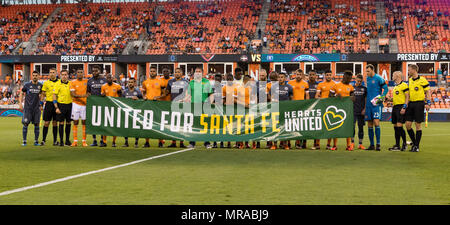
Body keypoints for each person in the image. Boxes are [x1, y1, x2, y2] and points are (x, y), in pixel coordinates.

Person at [405, 64, 431, 152]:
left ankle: (416, 146)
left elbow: (427, 92)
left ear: (414, 70)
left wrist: (428, 103)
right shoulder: (410, 80)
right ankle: (415, 143)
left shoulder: (423, 80)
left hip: (419, 104)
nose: (408, 72)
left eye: (409, 70)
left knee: (417, 125)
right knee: (408, 125)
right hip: (411, 104)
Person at [185, 67, 213, 149]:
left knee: (205, 124)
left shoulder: (206, 82)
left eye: (199, 71)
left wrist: (210, 103)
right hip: (194, 106)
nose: (197, 73)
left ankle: (207, 142)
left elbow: (210, 94)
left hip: (204, 106)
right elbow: (188, 95)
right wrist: (185, 100)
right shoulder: (191, 82)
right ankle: (192, 143)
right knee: (194, 124)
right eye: (196, 71)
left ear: (203, 73)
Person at [365, 64, 388, 151]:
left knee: (376, 122)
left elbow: (385, 88)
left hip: (376, 104)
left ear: (372, 70)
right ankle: (372, 145)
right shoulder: (367, 79)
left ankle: (378, 144)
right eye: (366, 71)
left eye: (368, 71)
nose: (367, 73)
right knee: (369, 124)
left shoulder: (378, 78)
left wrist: (381, 98)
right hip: (368, 104)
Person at [330, 71, 355, 151]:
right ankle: (334, 145)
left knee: (347, 127)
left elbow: (353, 97)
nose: (349, 80)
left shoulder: (351, 87)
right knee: (336, 126)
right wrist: (336, 95)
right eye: (348, 78)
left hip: (347, 109)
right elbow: (329, 96)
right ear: (343, 76)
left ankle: (348, 146)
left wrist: (353, 98)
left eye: (350, 78)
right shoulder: (336, 85)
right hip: (337, 109)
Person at [141, 66, 166, 148]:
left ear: (156, 72)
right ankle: (147, 142)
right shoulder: (145, 82)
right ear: (149, 72)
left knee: (159, 124)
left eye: (154, 71)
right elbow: (143, 92)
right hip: (148, 105)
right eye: (151, 71)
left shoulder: (160, 82)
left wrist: (158, 97)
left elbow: (164, 94)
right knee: (147, 123)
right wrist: (144, 96)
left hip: (157, 105)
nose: (152, 72)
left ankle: (160, 142)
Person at [166, 67, 188, 148]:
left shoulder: (185, 82)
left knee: (181, 124)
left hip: (182, 105)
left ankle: (181, 142)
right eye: (176, 72)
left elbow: (188, 93)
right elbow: (167, 92)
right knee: (173, 124)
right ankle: (173, 142)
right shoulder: (170, 81)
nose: (177, 73)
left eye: (179, 72)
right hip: (173, 105)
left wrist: (184, 100)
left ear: (182, 74)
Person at [269, 72, 293, 150]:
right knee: (276, 127)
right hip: (276, 109)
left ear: (285, 78)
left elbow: (291, 98)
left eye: (282, 77)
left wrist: (290, 106)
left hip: (285, 110)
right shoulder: (273, 87)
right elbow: (269, 96)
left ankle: (285, 144)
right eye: (279, 77)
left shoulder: (289, 87)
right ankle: (274, 144)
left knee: (285, 127)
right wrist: (273, 100)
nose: (280, 79)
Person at [19, 71, 43, 146]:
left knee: (37, 124)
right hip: (28, 108)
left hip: (36, 109)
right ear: (32, 76)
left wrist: (41, 104)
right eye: (33, 75)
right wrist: (20, 103)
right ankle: (24, 141)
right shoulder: (27, 85)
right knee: (25, 124)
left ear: (38, 76)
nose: (35, 77)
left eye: (36, 75)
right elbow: (21, 93)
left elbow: (42, 94)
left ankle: (36, 141)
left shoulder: (40, 85)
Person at [316, 70, 337, 150]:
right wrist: (320, 99)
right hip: (322, 107)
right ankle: (318, 144)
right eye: (327, 75)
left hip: (331, 108)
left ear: (332, 75)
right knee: (320, 126)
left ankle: (328, 144)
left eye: (329, 75)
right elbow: (317, 95)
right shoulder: (320, 84)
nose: (328, 76)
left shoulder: (335, 84)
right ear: (324, 75)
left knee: (330, 126)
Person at [288, 69, 309, 149]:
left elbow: (307, 96)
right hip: (292, 107)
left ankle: (298, 143)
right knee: (291, 125)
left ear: (302, 75)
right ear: (295, 74)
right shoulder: (290, 83)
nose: (298, 76)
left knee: (300, 126)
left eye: (300, 75)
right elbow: (289, 95)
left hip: (302, 108)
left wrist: (307, 105)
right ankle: (288, 143)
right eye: (297, 74)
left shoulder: (305, 83)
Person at [388, 71, 409, 151]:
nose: (392, 76)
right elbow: (397, 97)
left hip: (400, 107)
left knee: (400, 126)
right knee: (395, 127)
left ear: (397, 76)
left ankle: (404, 144)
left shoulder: (404, 85)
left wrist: (404, 107)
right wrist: (390, 99)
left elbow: (407, 97)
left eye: (393, 75)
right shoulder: (396, 86)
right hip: (395, 107)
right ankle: (397, 145)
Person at [100, 73, 122, 147]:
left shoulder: (117, 86)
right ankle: (104, 141)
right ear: (106, 78)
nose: (109, 79)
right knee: (105, 125)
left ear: (113, 78)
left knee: (114, 125)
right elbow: (101, 95)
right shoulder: (103, 86)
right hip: (106, 108)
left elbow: (120, 96)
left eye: (110, 78)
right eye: (108, 78)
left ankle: (113, 142)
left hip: (115, 108)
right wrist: (102, 95)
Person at [87, 65, 106, 146]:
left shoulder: (104, 80)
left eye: (96, 71)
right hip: (93, 104)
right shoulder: (89, 81)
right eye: (93, 71)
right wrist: (89, 97)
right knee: (93, 123)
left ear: (99, 71)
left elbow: (107, 91)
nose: (94, 72)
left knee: (102, 123)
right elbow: (88, 92)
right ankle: (94, 140)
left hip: (102, 104)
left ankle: (102, 140)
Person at [53, 69, 73, 147]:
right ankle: (61, 141)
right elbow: (54, 96)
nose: (64, 76)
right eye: (63, 75)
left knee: (68, 123)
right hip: (61, 105)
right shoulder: (57, 84)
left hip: (70, 105)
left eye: (66, 74)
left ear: (68, 75)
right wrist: (56, 107)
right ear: (60, 76)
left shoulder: (71, 84)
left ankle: (67, 141)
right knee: (61, 123)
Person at [41, 68, 60, 146]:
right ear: (49, 74)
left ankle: (55, 141)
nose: (52, 74)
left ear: (56, 73)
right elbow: (43, 94)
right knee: (46, 122)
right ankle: (43, 140)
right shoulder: (46, 83)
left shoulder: (59, 82)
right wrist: (41, 103)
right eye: (50, 72)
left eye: (53, 72)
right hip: (48, 103)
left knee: (55, 123)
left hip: (57, 104)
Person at [122, 77, 143, 148]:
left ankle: (136, 142)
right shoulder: (125, 92)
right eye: (129, 82)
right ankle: (126, 142)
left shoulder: (138, 92)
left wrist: (138, 99)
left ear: (134, 83)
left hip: (135, 112)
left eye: (132, 82)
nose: (130, 84)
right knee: (126, 127)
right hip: (127, 112)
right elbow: (121, 101)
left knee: (136, 127)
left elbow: (142, 102)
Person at [234, 74, 254, 149]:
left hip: (249, 109)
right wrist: (243, 104)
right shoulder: (238, 88)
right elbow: (234, 99)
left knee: (247, 126)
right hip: (240, 109)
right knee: (240, 126)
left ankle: (247, 143)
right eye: (250, 81)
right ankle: (240, 143)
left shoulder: (251, 88)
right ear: (245, 81)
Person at [70, 69, 88, 147]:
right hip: (76, 105)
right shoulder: (73, 82)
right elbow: (73, 94)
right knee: (75, 122)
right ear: (76, 74)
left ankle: (84, 141)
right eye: (78, 72)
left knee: (84, 122)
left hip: (85, 105)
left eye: (81, 72)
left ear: (83, 74)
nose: (80, 74)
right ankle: (75, 141)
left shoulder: (87, 82)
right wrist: (83, 96)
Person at [351, 74, 367, 150]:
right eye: (358, 81)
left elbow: (366, 99)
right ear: (355, 80)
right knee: (352, 127)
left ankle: (360, 144)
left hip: (361, 111)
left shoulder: (364, 89)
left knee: (361, 128)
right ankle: (352, 143)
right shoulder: (352, 88)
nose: (359, 82)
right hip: (353, 111)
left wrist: (364, 109)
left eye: (360, 81)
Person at [307, 70, 320, 150]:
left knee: (316, 126)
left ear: (316, 76)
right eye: (310, 75)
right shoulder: (305, 84)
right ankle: (303, 143)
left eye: (313, 75)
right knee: (305, 125)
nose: (311, 76)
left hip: (316, 108)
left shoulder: (319, 85)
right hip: (306, 108)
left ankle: (316, 144)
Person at [221, 73, 235, 148]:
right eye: (228, 80)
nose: (229, 81)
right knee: (226, 126)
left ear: (233, 80)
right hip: (226, 109)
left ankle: (237, 142)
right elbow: (223, 99)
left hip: (235, 108)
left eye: (230, 80)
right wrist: (224, 102)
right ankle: (227, 142)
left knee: (235, 125)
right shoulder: (224, 88)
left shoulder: (236, 87)